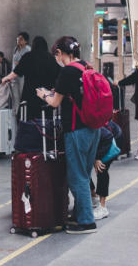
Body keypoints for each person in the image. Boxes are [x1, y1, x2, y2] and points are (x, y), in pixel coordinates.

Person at [37, 36, 100, 234]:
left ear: (60, 53)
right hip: (93, 128)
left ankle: (87, 221)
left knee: (76, 176)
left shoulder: (67, 71)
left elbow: (55, 102)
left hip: (76, 130)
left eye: (57, 53)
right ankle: (80, 214)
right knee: (84, 173)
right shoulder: (87, 67)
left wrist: (43, 94)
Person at [1, 35, 59, 119]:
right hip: (46, 96)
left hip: (30, 94)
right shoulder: (51, 58)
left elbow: (16, 72)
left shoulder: (28, 56)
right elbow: (58, 74)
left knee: (29, 120)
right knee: (46, 120)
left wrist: (5, 78)